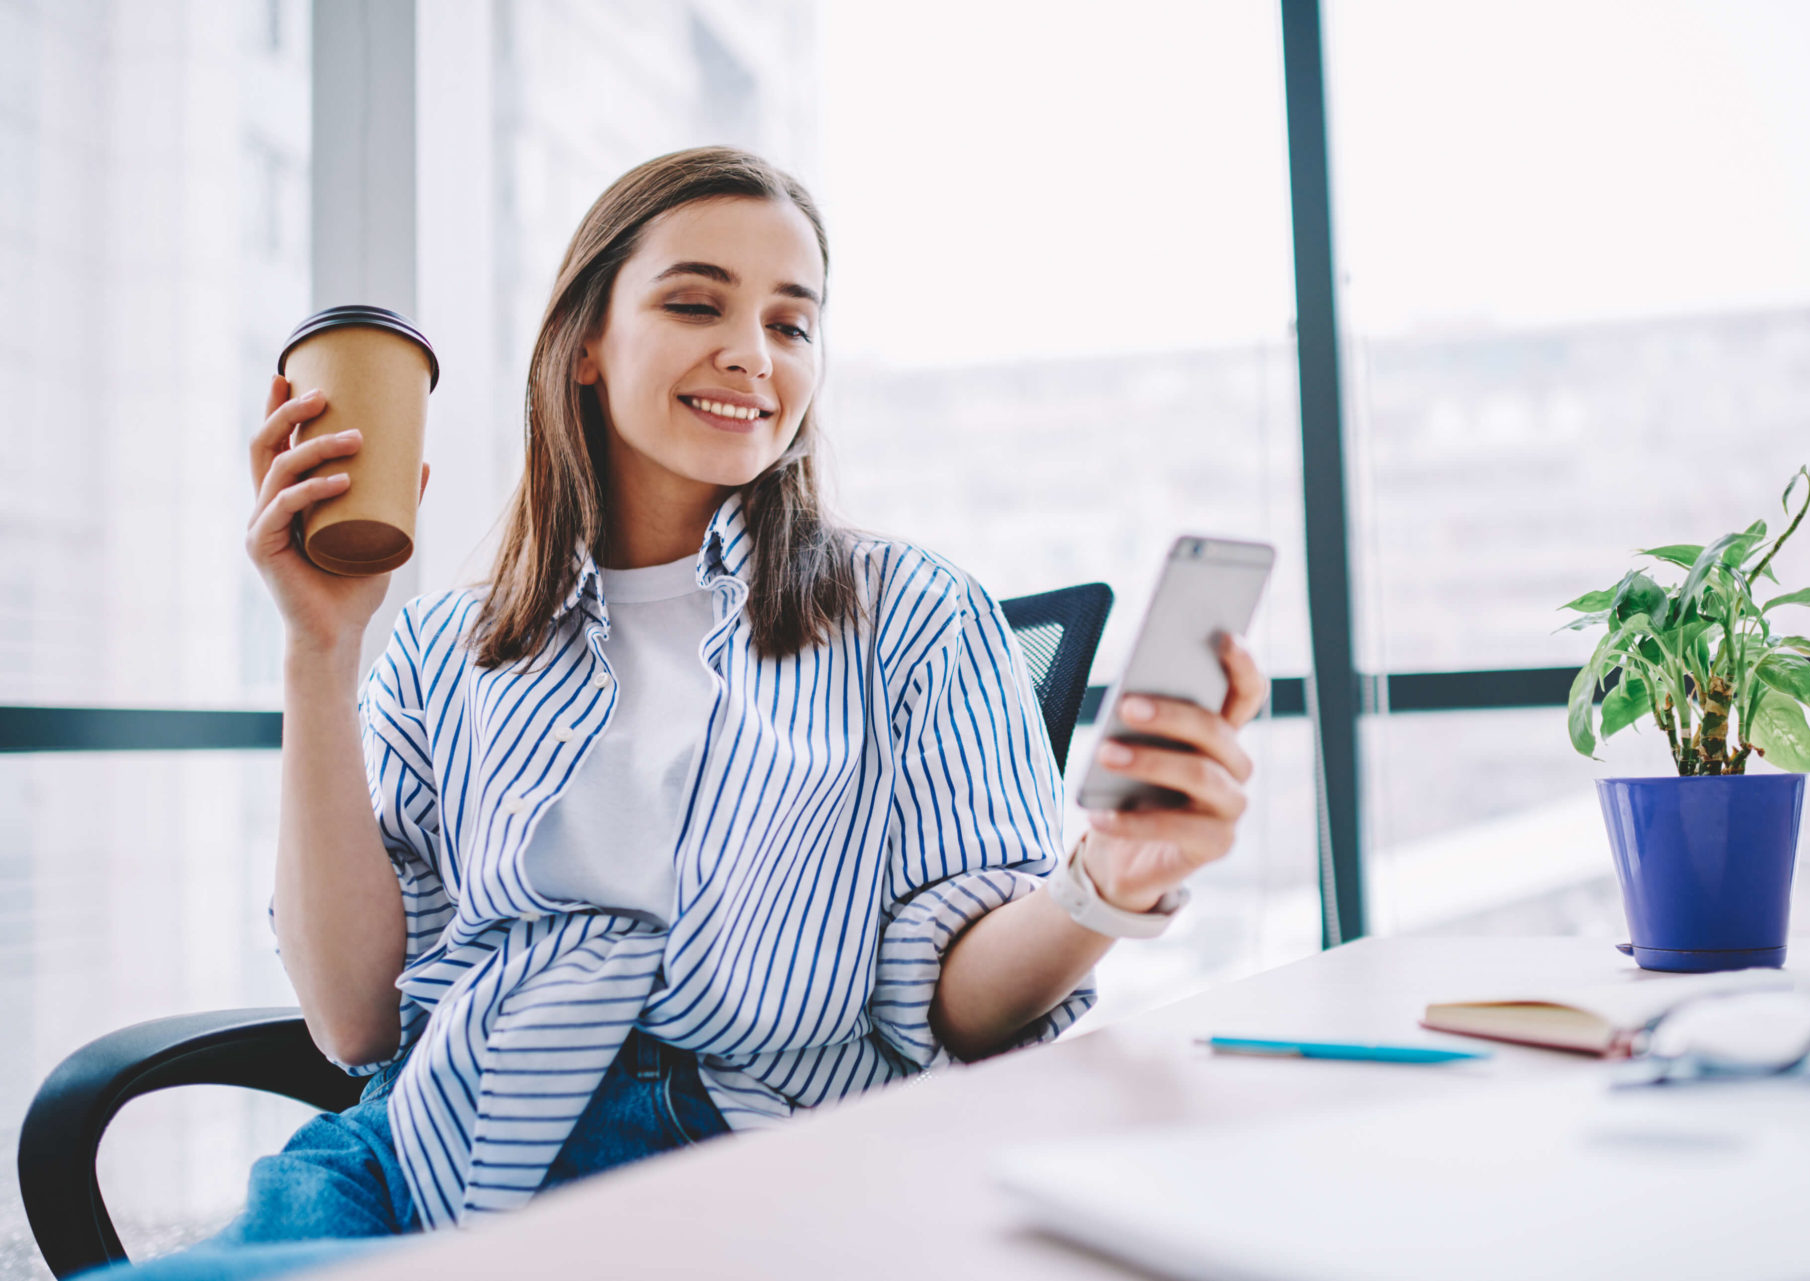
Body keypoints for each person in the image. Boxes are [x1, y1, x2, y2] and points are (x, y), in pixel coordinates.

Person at [82, 146, 1264, 1280]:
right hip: (429, 1148)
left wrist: (1107, 879)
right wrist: (320, 648)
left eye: (791, 322)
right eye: (699, 305)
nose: (754, 353)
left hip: (765, 1152)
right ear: (587, 343)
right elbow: (354, 1022)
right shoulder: (444, 646)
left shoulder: (915, 616)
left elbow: (951, 998)